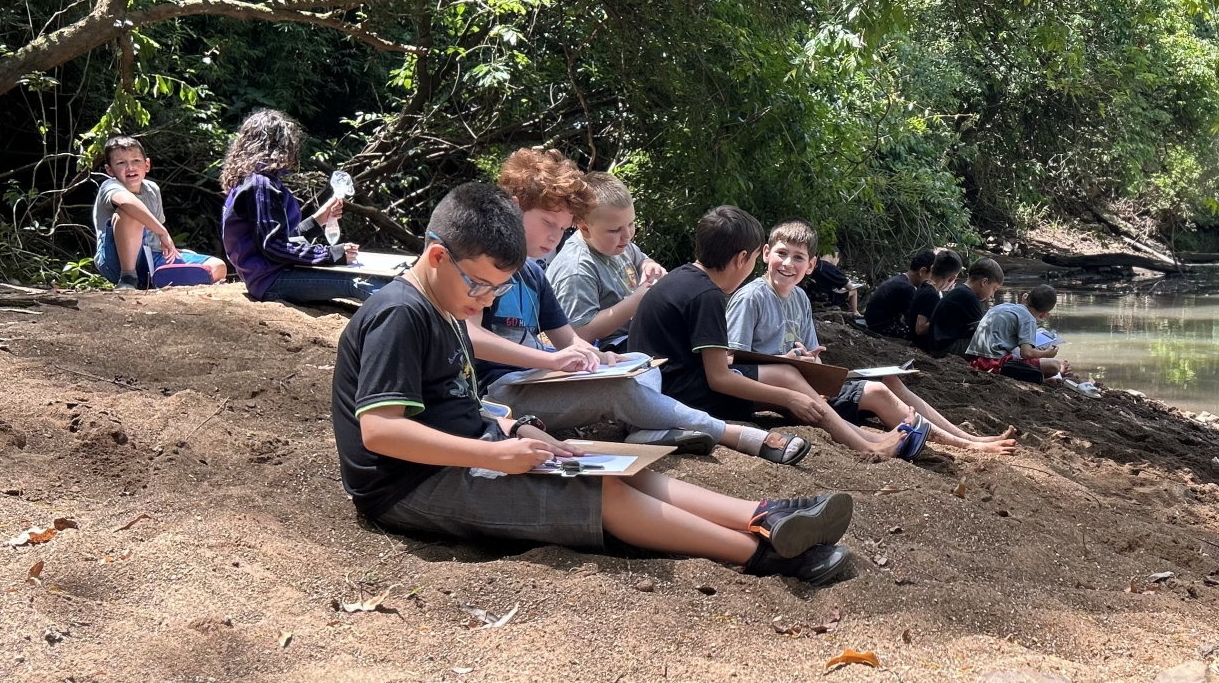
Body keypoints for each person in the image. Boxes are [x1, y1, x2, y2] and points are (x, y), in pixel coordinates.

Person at [332, 182, 856, 585]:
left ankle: (762, 515)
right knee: (599, 490)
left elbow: (460, 403)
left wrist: (516, 427)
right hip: (411, 487)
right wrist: (492, 454)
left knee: (608, 461)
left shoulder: (447, 306)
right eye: (480, 286)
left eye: (496, 290)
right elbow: (381, 431)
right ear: (437, 256)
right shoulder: (401, 315)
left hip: (470, 451)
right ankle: (764, 555)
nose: (486, 300)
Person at [464, 150, 810, 466]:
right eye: (548, 224)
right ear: (514, 207)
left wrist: (599, 358)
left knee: (641, 362)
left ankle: (645, 427)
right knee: (620, 390)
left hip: (536, 378)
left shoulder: (533, 274)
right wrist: (550, 360)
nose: (556, 237)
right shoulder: (485, 265)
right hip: (499, 391)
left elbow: (568, 339)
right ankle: (734, 434)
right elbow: (471, 337)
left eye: (562, 228)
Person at [627, 205, 910, 460]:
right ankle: (867, 447)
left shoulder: (683, 278)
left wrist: (787, 393)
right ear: (742, 258)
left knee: (787, 384)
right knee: (786, 379)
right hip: (673, 396)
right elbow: (719, 378)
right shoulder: (706, 295)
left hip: (663, 387)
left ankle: (866, 437)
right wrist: (788, 397)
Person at [729, 220, 1016, 457]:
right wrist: (787, 362)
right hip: (775, 391)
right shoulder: (752, 297)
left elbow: (812, 353)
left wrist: (814, 364)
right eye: (781, 254)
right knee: (877, 391)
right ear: (766, 253)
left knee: (889, 379)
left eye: (798, 258)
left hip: (805, 382)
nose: (787, 264)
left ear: (811, 265)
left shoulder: (800, 298)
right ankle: (965, 446)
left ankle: (965, 438)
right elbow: (731, 362)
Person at [220, 109, 375, 304]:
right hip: (271, 280)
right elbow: (273, 246)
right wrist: (330, 254)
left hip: (270, 275)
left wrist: (319, 219)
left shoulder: (253, 181)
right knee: (358, 281)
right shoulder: (261, 185)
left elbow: (282, 238)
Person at [546, 172, 668, 349]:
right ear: (585, 229)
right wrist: (637, 301)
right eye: (615, 230)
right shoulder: (576, 269)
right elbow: (579, 333)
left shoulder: (618, 245)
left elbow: (641, 259)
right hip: (609, 349)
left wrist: (650, 266)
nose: (627, 235)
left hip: (638, 335)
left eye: (631, 224)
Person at [91, 135, 227, 290]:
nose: (130, 167)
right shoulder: (109, 186)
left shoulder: (152, 189)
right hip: (114, 261)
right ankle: (128, 278)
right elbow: (127, 202)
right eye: (121, 163)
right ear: (109, 170)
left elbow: (154, 238)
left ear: (147, 165)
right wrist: (163, 232)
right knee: (129, 213)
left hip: (151, 258)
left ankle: (158, 279)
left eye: (136, 161)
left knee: (217, 266)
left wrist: (174, 252)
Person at [967, 283, 1068, 382]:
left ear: (1025, 297)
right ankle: (1044, 379)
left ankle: (1043, 378)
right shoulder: (1028, 319)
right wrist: (1046, 353)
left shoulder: (1004, 306)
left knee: (1030, 354)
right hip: (992, 364)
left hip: (975, 360)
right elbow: (1026, 353)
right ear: (1044, 314)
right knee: (1055, 365)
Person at [923, 257, 1002, 357]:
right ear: (984, 282)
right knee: (993, 344)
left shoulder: (961, 291)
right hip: (945, 348)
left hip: (937, 345)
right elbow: (983, 332)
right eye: (994, 289)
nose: (992, 295)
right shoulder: (969, 297)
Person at [862, 249, 935, 338]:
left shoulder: (900, 280)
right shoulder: (907, 288)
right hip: (881, 328)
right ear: (922, 271)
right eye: (932, 276)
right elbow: (912, 320)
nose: (931, 280)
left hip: (875, 323)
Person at [909, 250, 964, 348]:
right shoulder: (932, 295)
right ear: (952, 278)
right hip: (924, 344)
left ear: (932, 268)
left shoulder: (924, 286)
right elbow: (920, 329)